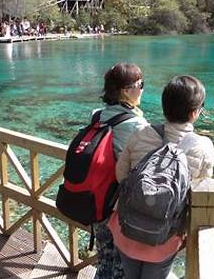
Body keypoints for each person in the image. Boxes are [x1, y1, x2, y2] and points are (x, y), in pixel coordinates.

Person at [109, 75, 214, 279]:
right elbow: (202, 191)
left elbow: (121, 174)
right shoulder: (203, 146)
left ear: (164, 106)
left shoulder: (142, 133)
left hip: (127, 229)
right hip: (163, 239)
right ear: (194, 113)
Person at [94, 63, 148, 279]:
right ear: (126, 91)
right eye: (140, 84)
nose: (143, 89)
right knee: (121, 267)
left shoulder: (97, 116)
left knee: (104, 260)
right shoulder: (136, 125)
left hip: (97, 198)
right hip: (119, 205)